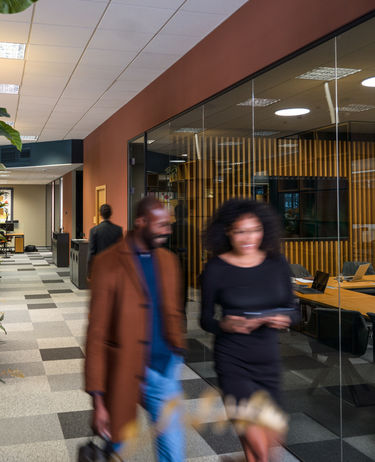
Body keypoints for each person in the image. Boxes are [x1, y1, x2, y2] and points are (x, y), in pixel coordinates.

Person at [85, 196, 186, 461]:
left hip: (164, 370)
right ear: (141, 222)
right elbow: (96, 335)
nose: (168, 230)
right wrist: (98, 400)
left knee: (173, 453)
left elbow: (174, 312)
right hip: (123, 370)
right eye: (161, 224)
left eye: (169, 224)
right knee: (117, 447)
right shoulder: (108, 263)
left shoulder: (169, 261)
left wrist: (177, 349)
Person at [199, 198, 299, 462]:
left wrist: (281, 318)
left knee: (271, 444)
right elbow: (204, 319)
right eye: (240, 231)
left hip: (268, 362)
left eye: (254, 229)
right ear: (227, 232)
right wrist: (224, 325)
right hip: (233, 362)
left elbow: (293, 310)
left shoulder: (277, 263)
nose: (248, 238)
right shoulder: (216, 268)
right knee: (260, 448)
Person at [87, 204, 123, 277]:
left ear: (100, 214)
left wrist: (89, 273)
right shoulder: (118, 230)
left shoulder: (94, 230)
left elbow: (92, 253)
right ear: (111, 214)